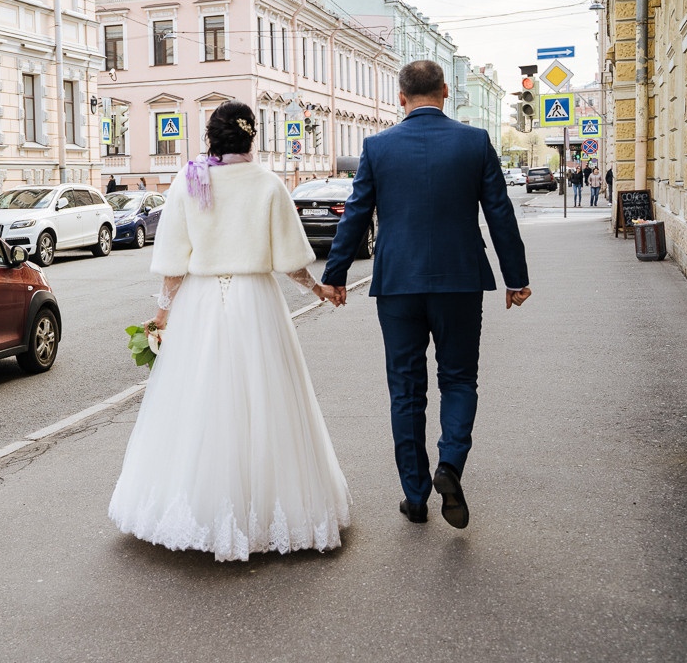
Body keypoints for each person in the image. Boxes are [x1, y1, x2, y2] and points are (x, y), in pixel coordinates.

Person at [109, 100, 351, 561]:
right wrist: (317, 288)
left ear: (210, 138)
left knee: (196, 403)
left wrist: (162, 315)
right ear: (251, 138)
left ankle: (196, 508)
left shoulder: (188, 180)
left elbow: (173, 262)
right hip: (256, 302)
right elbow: (289, 259)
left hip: (200, 304)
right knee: (268, 399)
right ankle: (273, 509)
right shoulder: (268, 183)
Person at [321, 60, 530, 530]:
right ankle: (450, 465)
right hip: (459, 279)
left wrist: (334, 275)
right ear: (445, 92)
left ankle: (415, 497)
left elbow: (355, 216)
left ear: (400, 97)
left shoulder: (377, 147)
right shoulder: (473, 142)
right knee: (458, 379)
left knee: (406, 388)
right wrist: (515, 278)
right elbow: (499, 212)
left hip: (397, 284)